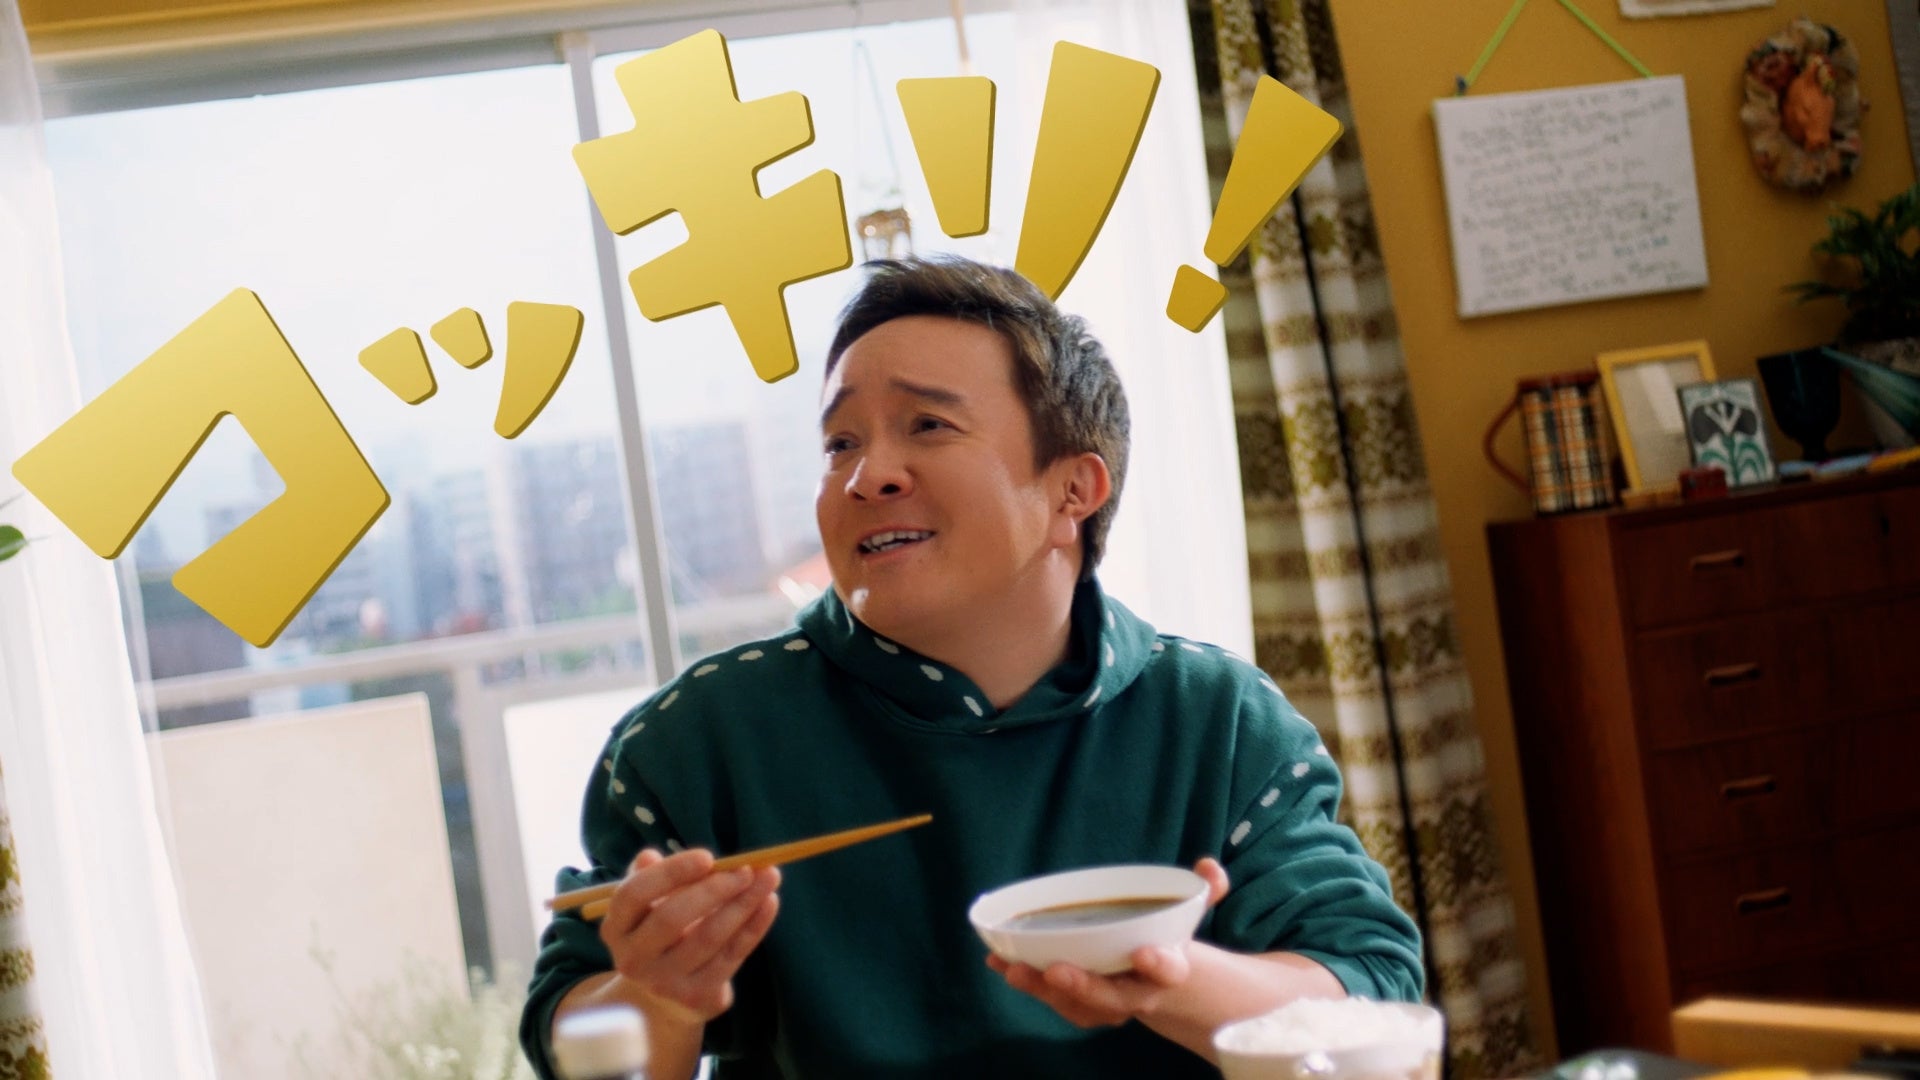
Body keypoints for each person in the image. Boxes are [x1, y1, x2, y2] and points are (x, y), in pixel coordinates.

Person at [520, 256, 1423, 1080]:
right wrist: (660, 997)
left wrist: (1169, 977)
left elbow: (1369, 985)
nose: (868, 475)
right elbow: (568, 1036)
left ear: (1074, 490)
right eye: (840, 443)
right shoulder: (695, 739)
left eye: (927, 424)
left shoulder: (1218, 721)